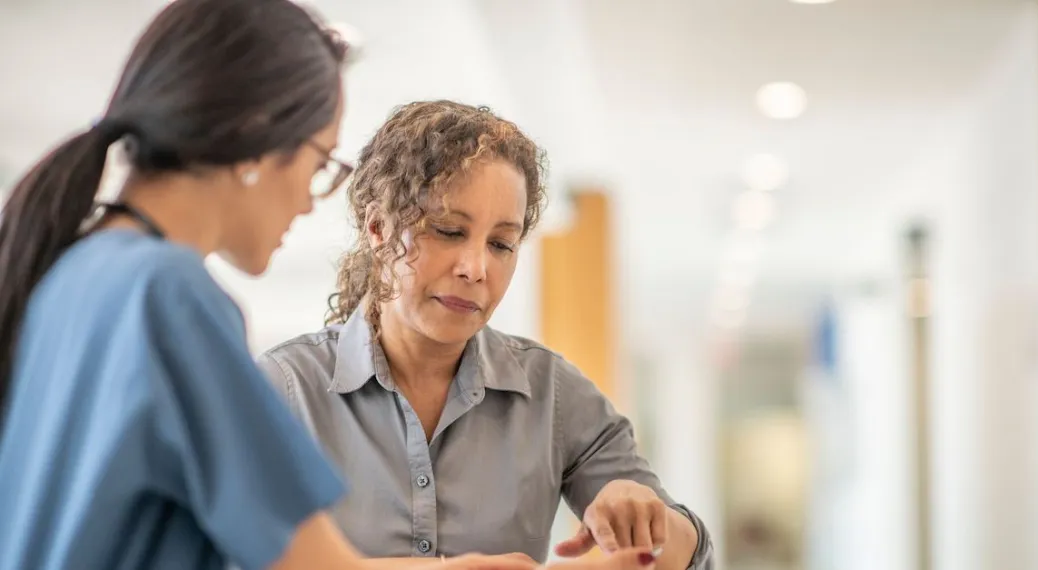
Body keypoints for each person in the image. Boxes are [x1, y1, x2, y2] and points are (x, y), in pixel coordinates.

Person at [0, 3, 658, 570]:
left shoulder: (72, 272)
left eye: (502, 243)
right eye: (320, 163)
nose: (311, 202)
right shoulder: (170, 297)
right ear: (257, 135)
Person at [258, 100, 714, 570]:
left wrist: (644, 513)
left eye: (501, 244)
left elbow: (685, 553)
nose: (476, 268)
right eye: (449, 231)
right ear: (378, 228)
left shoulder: (553, 394)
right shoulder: (282, 390)